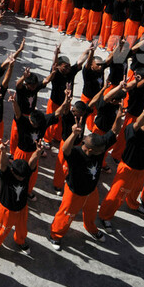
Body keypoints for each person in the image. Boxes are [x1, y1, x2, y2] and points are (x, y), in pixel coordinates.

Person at [48, 104, 125, 251]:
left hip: (91, 190)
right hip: (74, 193)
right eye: (101, 151)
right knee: (66, 215)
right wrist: (73, 134)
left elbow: (114, 131)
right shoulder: (76, 154)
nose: (104, 152)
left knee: (90, 212)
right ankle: (55, 235)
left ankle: (90, 227)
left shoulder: (99, 146)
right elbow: (65, 149)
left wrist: (119, 116)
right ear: (89, 150)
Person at [97, 106, 144, 231]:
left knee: (136, 189)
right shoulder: (134, 132)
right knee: (117, 195)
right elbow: (136, 125)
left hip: (141, 168)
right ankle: (105, 216)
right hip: (128, 170)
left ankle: (133, 204)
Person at [0, 138, 46, 263]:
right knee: (0, 229)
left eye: (23, 176)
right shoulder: (6, 175)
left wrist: (38, 152)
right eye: (19, 176)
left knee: (22, 228)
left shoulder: (25, 172)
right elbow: (2, 165)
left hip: (22, 208)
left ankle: (20, 241)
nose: (21, 178)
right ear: (12, 171)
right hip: (6, 209)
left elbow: (32, 163)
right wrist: (3, 151)